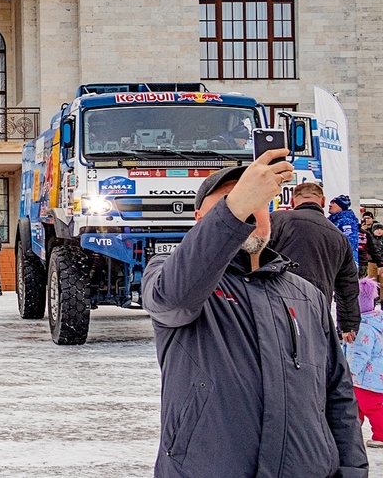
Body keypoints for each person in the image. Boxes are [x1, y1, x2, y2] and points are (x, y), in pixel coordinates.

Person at [142, 154, 367, 477]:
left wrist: (352, 469)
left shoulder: (306, 294)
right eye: (229, 202)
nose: (246, 210)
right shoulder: (170, 275)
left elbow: (337, 392)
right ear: (199, 218)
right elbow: (174, 300)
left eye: (255, 201)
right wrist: (234, 211)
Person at [268, 181, 361, 342]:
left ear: (292, 201)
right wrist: (348, 325)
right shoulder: (338, 237)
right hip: (316, 309)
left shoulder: (277, 220)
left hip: (274, 304)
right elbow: (348, 285)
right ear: (323, 202)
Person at [346, 277, 383, 448]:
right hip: (375, 377)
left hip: (365, 380)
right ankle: (350, 433)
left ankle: (381, 435)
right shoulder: (377, 321)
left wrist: (348, 370)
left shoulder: (364, 328)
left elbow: (360, 354)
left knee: (371, 408)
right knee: (355, 407)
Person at [329, 195, 362, 269]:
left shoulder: (347, 221)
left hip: (345, 263)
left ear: (341, 206)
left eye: (333, 203)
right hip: (336, 261)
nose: (330, 205)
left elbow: (350, 243)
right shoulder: (334, 220)